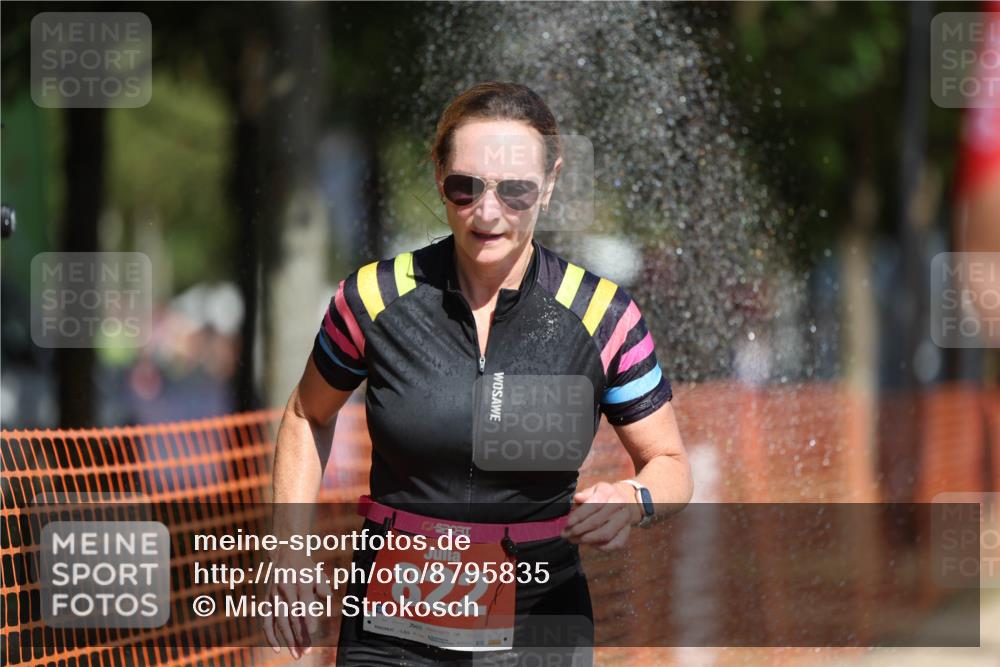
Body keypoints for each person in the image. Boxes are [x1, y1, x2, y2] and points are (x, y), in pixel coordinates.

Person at [265, 81, 692, 665]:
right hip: (391, 625)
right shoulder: (372, 298)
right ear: (439, 176)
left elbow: (670, 466)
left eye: (515, 191)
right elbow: (305, 414)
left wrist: (634, 497)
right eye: (465, 188)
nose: (488, 212)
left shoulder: (602, 315)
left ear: (550, 183)